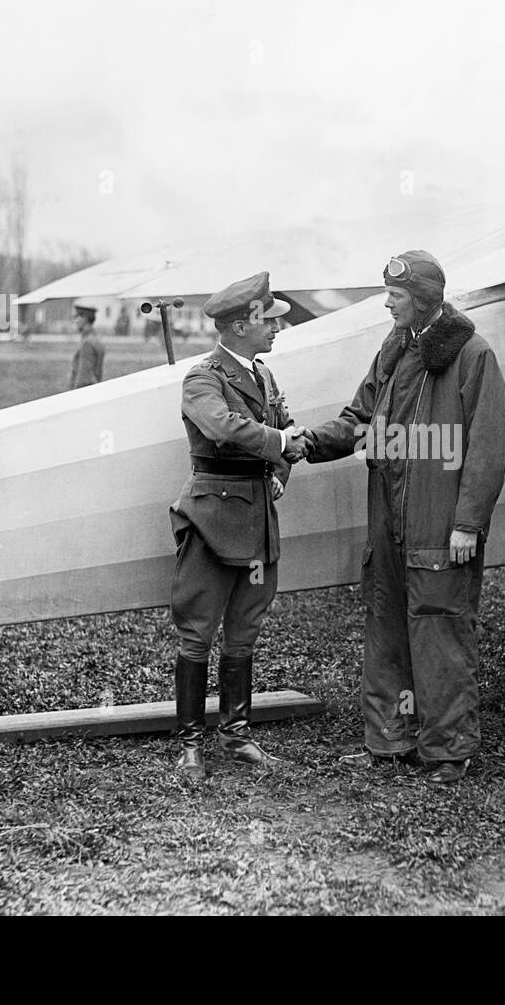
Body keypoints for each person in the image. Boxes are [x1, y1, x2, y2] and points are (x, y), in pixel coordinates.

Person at [302, 250, 505, 786]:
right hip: (387, 519)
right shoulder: (394, 349)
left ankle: (448, 751)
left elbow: (489, 445)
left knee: (440, 629)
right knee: (387, 622)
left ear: (423, 300)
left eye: (396, 295)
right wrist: (303, 443)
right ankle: (390, 739)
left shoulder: (472, 355)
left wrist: (467, 521)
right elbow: (357, 418)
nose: (387, 302)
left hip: (438, 523)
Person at [168, 272, 310, 780]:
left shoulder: (265, 376)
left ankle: (236, 736)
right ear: (239, 325)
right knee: (197, 634)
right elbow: (223, 427)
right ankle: (189, 747)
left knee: (244, 634)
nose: (278, 327)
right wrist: (278, 446)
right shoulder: (203, 377)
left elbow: (284, 430)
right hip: (212, 519)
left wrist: (281, 470)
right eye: (268, 320)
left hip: (257, 520)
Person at [69, 304, 105, 388]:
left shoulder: (87, 343)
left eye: (77, 317)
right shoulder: (95, 339)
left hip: (85, 392)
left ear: (85, 319)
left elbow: (84, 378)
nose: (75, 321)